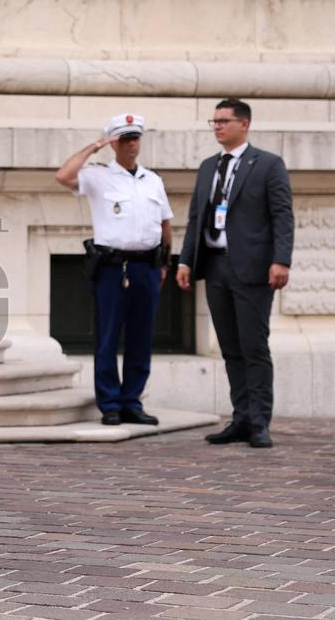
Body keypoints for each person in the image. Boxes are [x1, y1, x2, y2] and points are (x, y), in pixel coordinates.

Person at [177, 98, 294, 449]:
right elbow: (197, 218)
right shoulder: (207, 166)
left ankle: (260, 421)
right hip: (215, 266)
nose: (217, 126)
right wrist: (184, 260)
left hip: (254, 268)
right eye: (214, 121)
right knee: (230, 348)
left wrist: (281, 260)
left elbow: (283, 216)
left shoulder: (268, 165)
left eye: (224, 121)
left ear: (244, 124)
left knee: (253, 346)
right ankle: (240, 417)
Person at [55, 113, 172, 427]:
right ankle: (109, 403)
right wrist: (94, 146)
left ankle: (132, 401)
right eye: (124, 139)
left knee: (140, 337)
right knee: (107, 337)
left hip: (147, 265)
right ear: (113, 143)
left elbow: (165, 223)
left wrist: (165, 262)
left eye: (135, 138)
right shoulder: (97, 176)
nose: (132, 144)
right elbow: (63, 176)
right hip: (112, 268)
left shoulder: (153, 180)